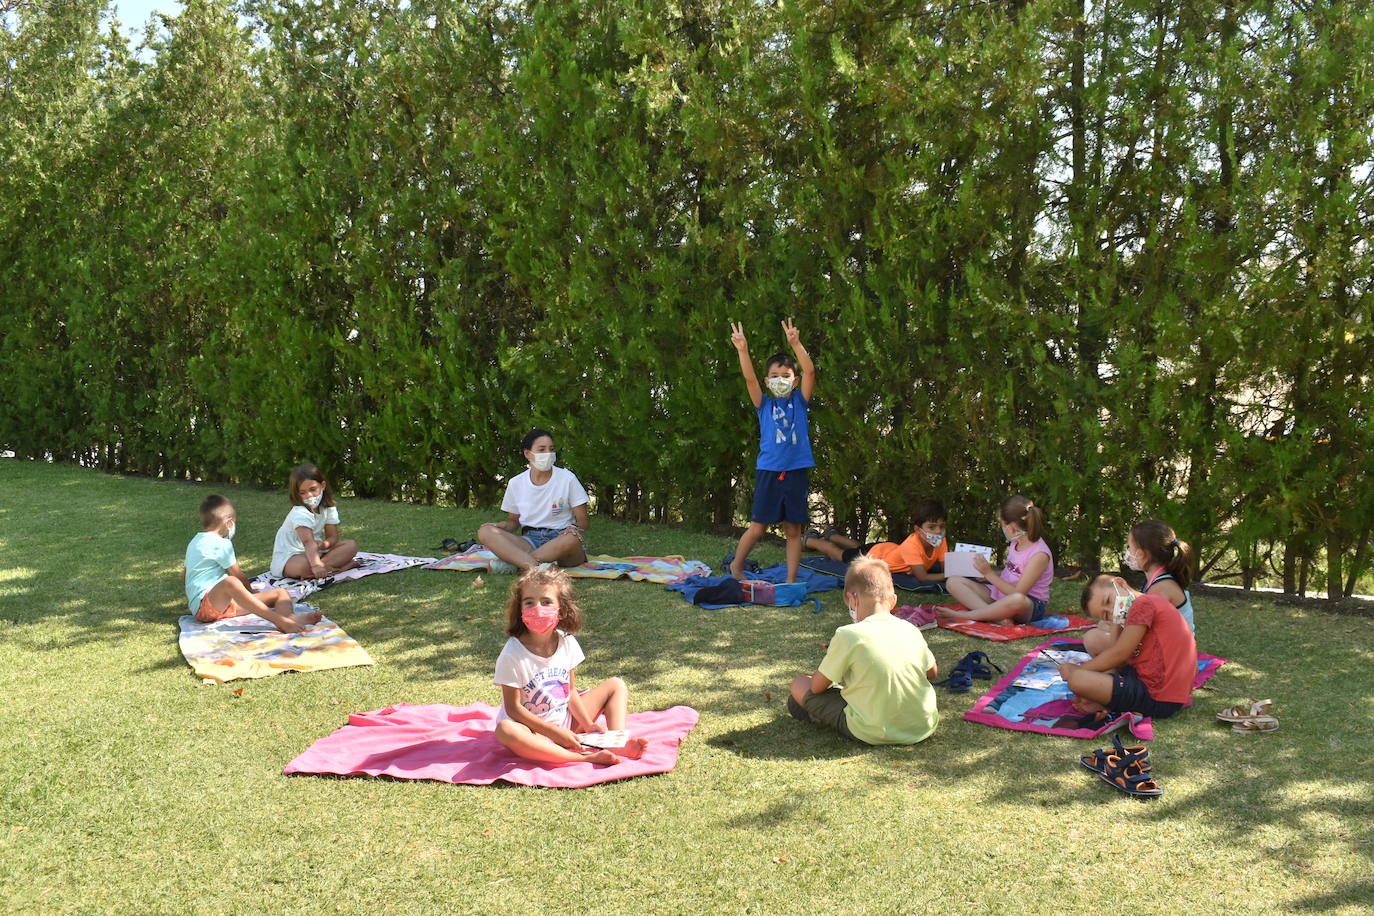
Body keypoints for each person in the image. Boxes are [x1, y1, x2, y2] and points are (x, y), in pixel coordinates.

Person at [492, 567, 649, 765]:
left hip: (565, 723)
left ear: (562, 609)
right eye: (529, 602)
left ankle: (615, 742)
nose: (537, 608)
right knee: (505, 730)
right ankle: (584, 757)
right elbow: (513, 709)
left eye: (546, 601)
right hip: (531, 731)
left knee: (616, 685)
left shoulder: (566, 641)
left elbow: (570, 691)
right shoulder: (512, 654)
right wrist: (554, 733)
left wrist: (589, 725)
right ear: (520, 609)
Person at [787, 557, 940, 745]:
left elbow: (816, 687)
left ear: (852, 599)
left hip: (872, 731)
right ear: (892, 600)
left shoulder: (848, 635)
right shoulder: (911, 629)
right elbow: (932, 673)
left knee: (799, 684)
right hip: (923, 726)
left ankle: (818, 715)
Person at [727, 318, 815, 583]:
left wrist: (796, 344)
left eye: (785, 376)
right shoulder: (763, 405)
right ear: (767, 381)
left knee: (793, 531)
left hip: (796, 473)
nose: (780, 381)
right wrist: (743, 350)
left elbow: (810, 371)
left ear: (795, 381)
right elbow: (749, 379)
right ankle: (736, 567)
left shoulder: (800, 402)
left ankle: (790, 580)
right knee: (757, 527)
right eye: (774, 377)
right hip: (768, 472)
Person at [1059, 574, 1198, 719]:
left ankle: (1106, 701)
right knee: (1094, 675)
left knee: (1078, 679)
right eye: (1106, 615)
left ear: (1120, 583)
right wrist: (1116, 622)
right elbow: (1117, 662)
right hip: (1159, 691)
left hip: (1158, 696)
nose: (1111, 610)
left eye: (1108, 601)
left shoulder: (1143, 604)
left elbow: (1119, 654)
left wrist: (1078, 671)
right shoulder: (1135, 610)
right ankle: (1103, 701)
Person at [185, 495, 321, 632]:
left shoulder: (194, 542)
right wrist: (250, 592)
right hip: (205, 608)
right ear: (229, 523)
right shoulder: (221, 544)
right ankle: (279, 621)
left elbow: (185, 574)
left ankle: (290, 618)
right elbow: (238, 576)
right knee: (231, 581)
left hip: (223, 605)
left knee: (280, 593)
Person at [477, 429, 590, 572]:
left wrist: (574, 528)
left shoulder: (567, 478)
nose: (548, 454)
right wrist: (501, 526)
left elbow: (583, 521)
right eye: (541, 450)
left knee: (573, 538)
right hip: (530, 540)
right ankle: (536, 566)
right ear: (527, 454)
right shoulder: (516, 483)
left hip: (561, 538)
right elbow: (514, 522)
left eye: (551, 449)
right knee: (485, 531)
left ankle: (519, 563)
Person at [940, 495, 1052, 624]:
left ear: (1012, 528)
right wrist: (990, 575)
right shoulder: (1016, 541)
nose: (1002, 528)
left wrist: (989, 574)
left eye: (1002, 524)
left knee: (1017, 599)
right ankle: (997, 618)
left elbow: (1018, 592)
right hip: (1001, 594)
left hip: (1028, 604)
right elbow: (1014, 573)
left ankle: (971, 615)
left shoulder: (1039, 554)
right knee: (953, 582)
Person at [802, 498, 949, 591]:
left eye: (941, 527)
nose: (938, 531)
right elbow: (922, 577)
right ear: (917, 529)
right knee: (841, 555)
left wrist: (950, 572)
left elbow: (946, 569)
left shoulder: (940, 540)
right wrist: (949, 575)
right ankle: (810, 540)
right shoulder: (912, 545)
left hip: (887, 549)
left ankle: (832, 536)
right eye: (931, 527)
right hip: (874, 556)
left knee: (858, 546)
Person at [270, 463, 360, 579]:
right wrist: (316, 565)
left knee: (351, 545)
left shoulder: (328, 508)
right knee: (303, 566)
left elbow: (332, 537)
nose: (309, 496)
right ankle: (339, 569)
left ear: (323, 486)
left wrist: (324, 545)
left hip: (316, 553)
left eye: (313, 489)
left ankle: (321, 570)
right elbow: (308, 542)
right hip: (290, 557)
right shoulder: (300, 512)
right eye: (302, 492)